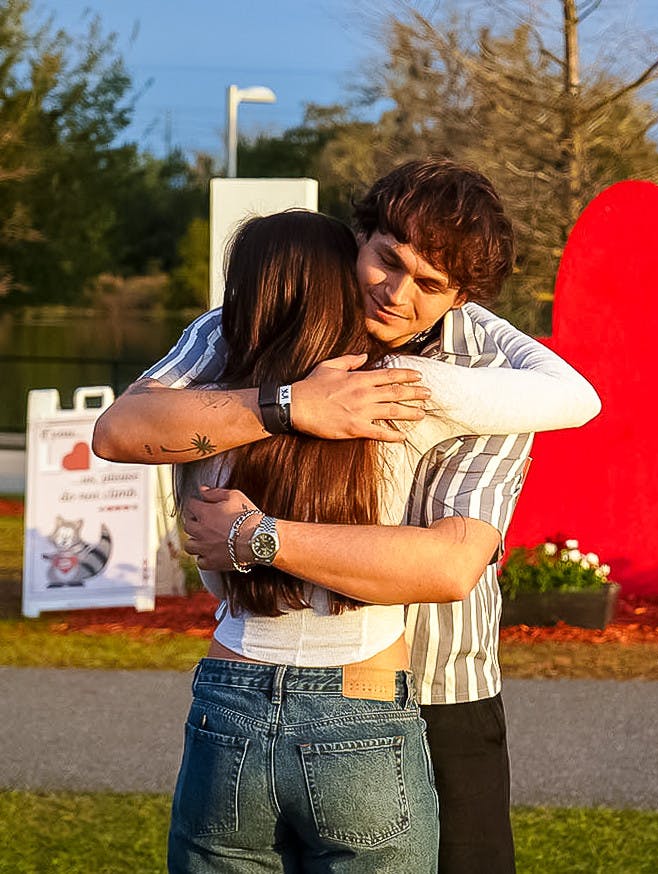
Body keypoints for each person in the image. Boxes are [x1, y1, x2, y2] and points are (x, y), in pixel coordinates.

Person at [93, 159, 593, 873]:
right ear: (357, 237)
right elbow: (119, 431)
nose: (396, 293)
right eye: (388, 260)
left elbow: (454, 562)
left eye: (430, 285)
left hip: (442, 682)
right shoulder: (247, 329)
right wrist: (289, 403)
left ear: (460, 298)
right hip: (271, 684)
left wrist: (253, 537)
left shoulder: (488, 381)